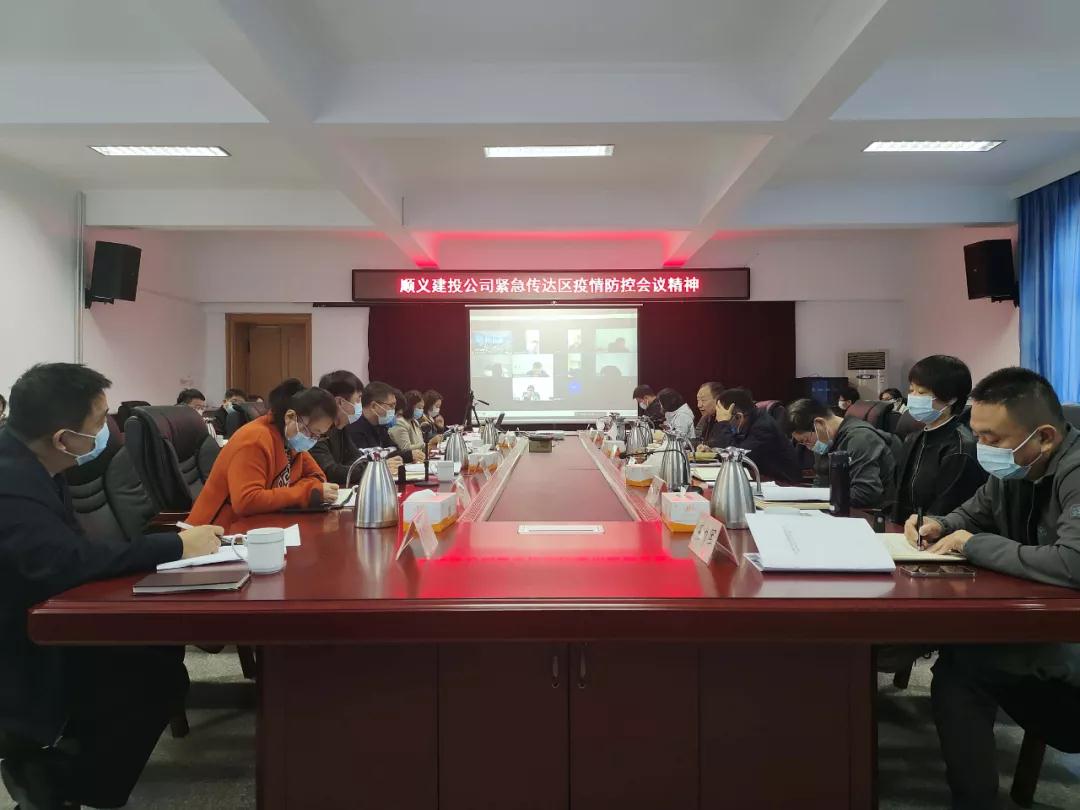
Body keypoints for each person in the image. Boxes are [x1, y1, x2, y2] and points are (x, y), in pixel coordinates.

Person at [0, 363, 222, 809]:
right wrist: (175, 546)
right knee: (151, 676)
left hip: (45, 608)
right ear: (63, 438)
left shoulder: (36, 463)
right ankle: (54, 780)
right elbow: (65, 561)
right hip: (20, 639)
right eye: (101, 421)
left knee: (158, 653)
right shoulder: (11, 483)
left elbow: (70, 550)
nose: (110, 432)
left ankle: (63, 768)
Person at [905, 367, 1080, 809]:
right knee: (962, 656)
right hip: (1042, 623)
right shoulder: (1015, 469)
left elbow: (1073, 563)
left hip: (1069, 639)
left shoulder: (1075, 472)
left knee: (962, 670)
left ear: (1044, 437)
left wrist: (973, 544)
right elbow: (970, 515)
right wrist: (938, 524)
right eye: (978, 434)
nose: (981, 447)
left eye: (992, 438)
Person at [187, 379, 338, 527]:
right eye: (312, 432)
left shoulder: (290, 440)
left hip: (257, 525)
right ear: (290, 417)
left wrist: (295, 493)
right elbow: (246, 501)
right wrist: (304, 493)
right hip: (214, 533)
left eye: (319, 436)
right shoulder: (255, 439)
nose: (312, 439)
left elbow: (318, 478)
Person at [891, 356, 986, 525]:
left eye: (922, 393)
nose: (913, 397)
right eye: (911, 390)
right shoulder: (913, 438)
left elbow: (946, 511)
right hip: (904, 531)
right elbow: (897, 495)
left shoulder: (960, 449)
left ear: (951, 398)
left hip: (937, 532)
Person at [787, 397, 899, 509]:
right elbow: (821, 482)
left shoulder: (860, 439)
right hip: (840, 507)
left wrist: (822, 497)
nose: (808, 447)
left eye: (806, 440)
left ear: (819, 423)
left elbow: (865, 493)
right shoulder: (826, 441)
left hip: (870, 512)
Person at [310, 370, 401, 486]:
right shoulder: (317, 431)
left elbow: (357, 459)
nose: (360, 405)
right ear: (340, 402)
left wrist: (360, 468)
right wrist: (375, 468)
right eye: (358, 399)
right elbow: (331, 472)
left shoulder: (341, 428)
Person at [706, 388, 801, 482]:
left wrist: (723, 423)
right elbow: (733, 445)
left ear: (739, 416)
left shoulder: (763, 427)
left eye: (726, 419)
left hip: (783, 484)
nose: (719, 421)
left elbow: (736, 457)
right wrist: (713, 450)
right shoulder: (750, 421)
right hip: (761, 480)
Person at [346, 381, 419, 464]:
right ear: (374, 406)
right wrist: (385, 463)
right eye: (391, 406)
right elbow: (362, 462)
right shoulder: (354, 429)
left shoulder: (381, 426)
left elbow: (394, 450)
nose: (393, 410)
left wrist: (409, 455)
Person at [389, 390, 433, 462]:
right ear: (409, 407)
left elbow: (420, 443)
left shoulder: (415, 421)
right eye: (419, 408)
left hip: (418, 460)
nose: (421, 411)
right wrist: (426, 444)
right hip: (406, 462)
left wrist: (426, 448)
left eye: (422, 408)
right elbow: (405, 449)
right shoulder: (400, 422)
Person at [694, 381, 726, 445]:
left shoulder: (727, 419)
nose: (699, 405)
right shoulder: (705, 418)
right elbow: (697, 438)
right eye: (698, 400)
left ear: (718, 400)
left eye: (703, 400)